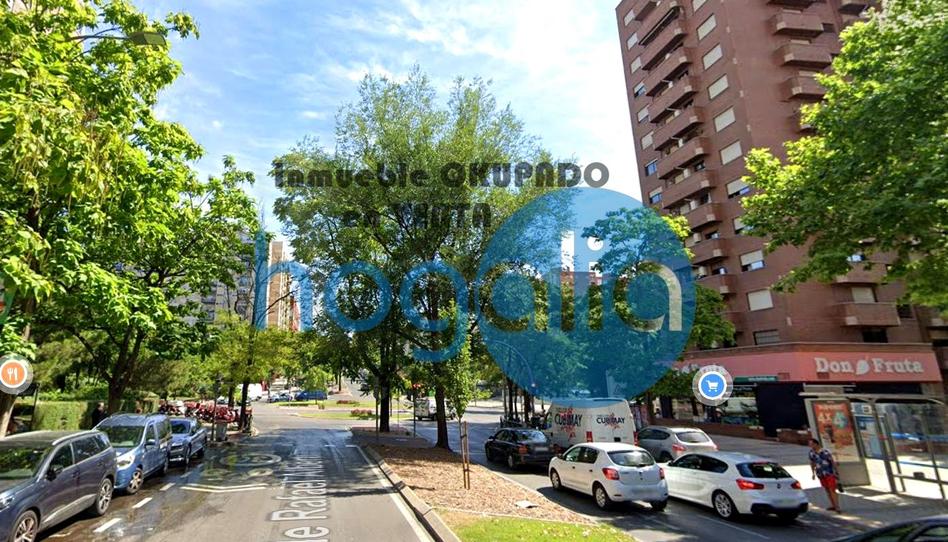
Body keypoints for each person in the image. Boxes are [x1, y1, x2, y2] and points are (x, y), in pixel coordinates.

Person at [808, 438, 842, 513]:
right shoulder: (811, 453)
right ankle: (833, 505)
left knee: (832, 489)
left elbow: (832, 461)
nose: (811, 446)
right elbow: (812, 463)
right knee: (827, 489)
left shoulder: (825, 451)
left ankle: (837, 506)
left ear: (816, 444)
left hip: (829, 472)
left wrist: (836, 472)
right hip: (820, 473)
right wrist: (813, 473)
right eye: (810, 445)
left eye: (812, 444)